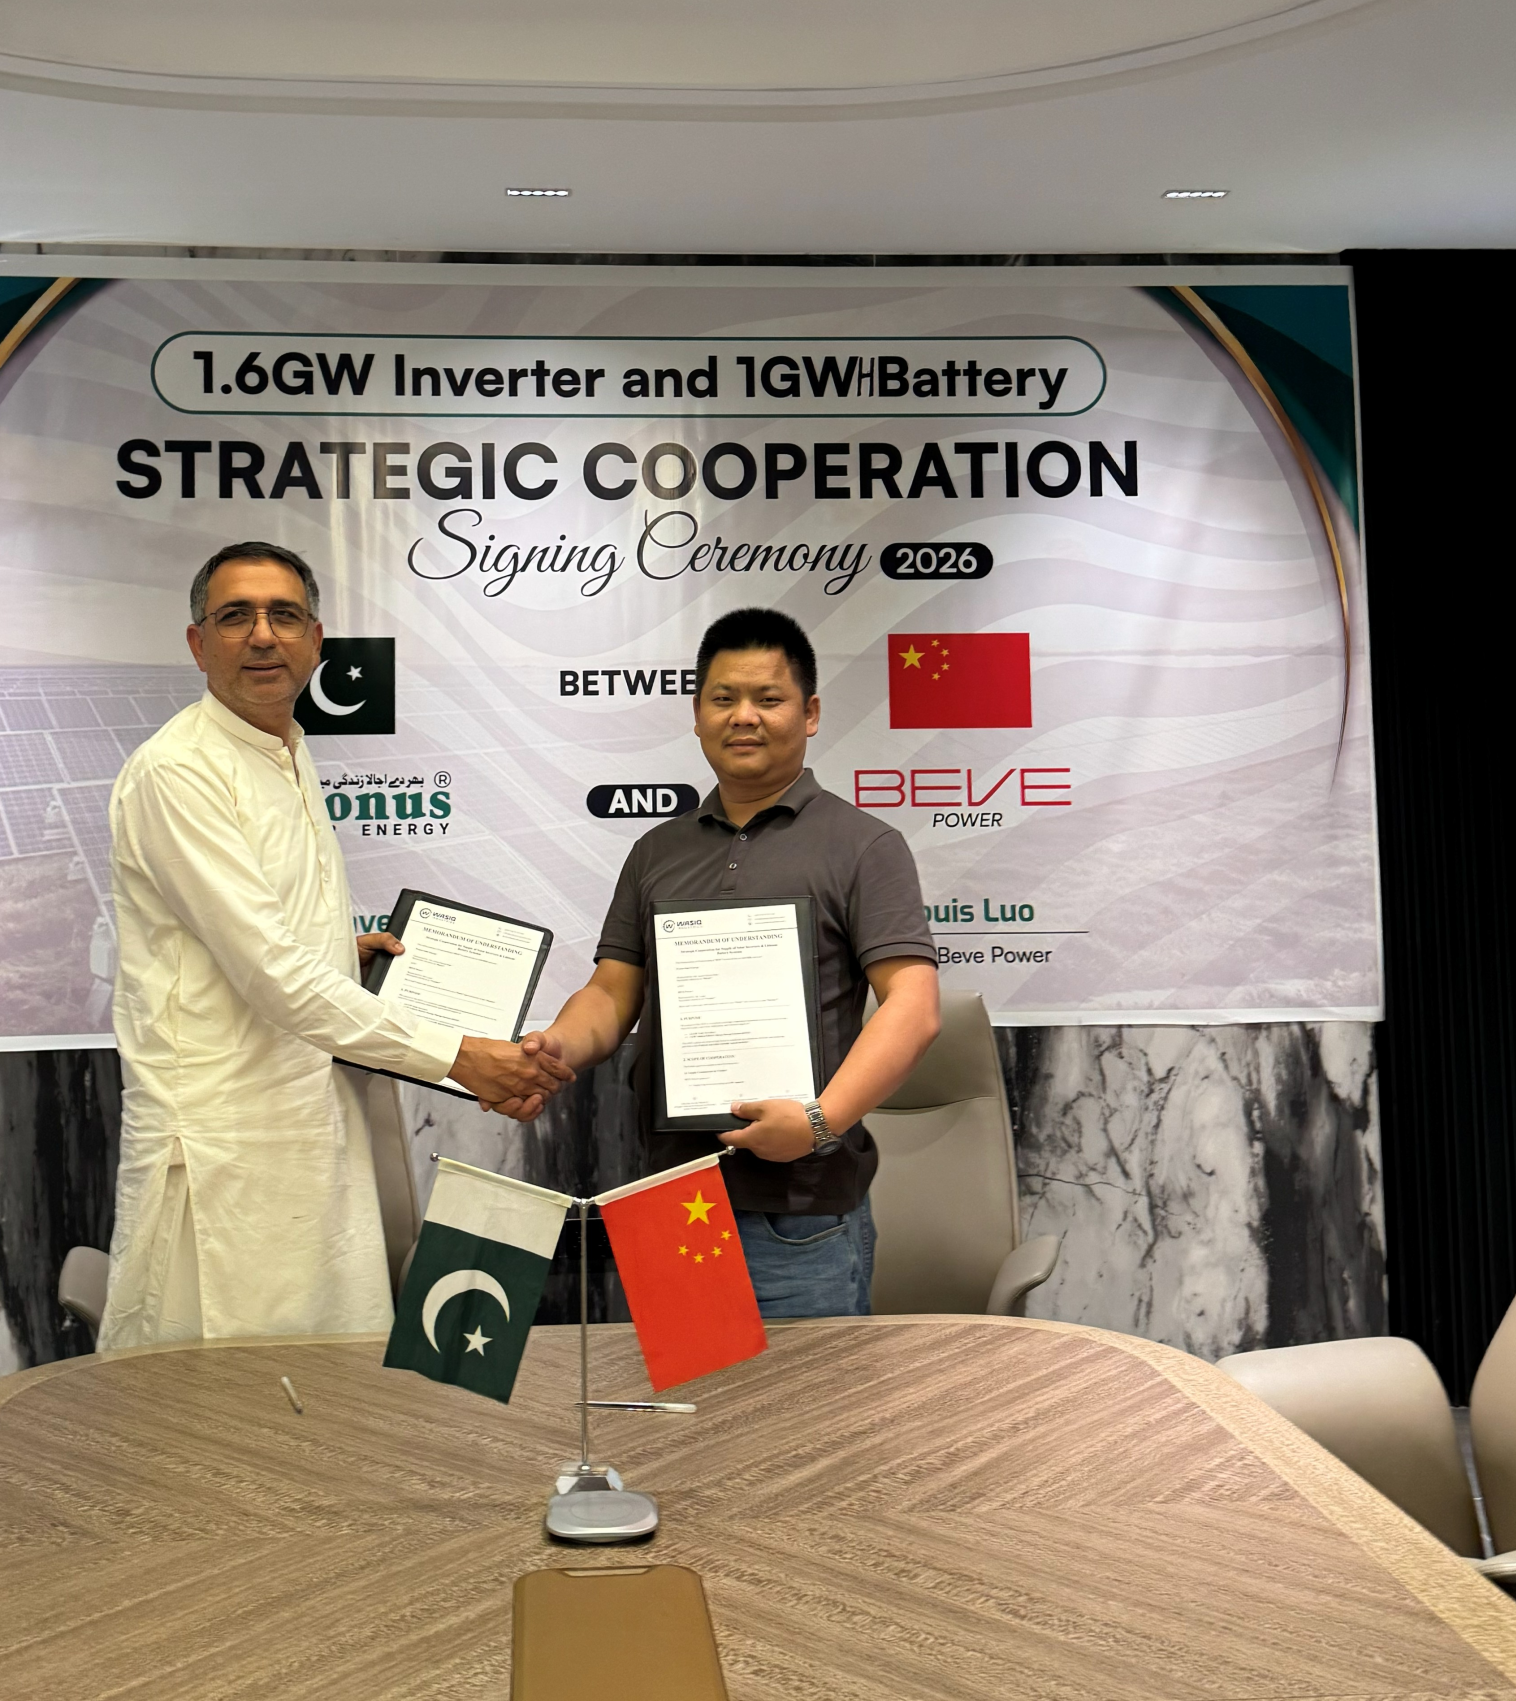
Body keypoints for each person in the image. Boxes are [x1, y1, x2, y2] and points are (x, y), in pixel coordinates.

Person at [100, 540, 567, 1350]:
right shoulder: (178, 771)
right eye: (235, 616)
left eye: (284, 615)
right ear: (198, 643)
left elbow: (249, 940)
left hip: (308, 1126)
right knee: (212, 1398)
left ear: (316, 641)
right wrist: (459, 1057)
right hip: (222, 1149)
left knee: (322, 1385)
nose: (262, 635)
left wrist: (338, 952)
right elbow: (270, 974)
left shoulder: (284, 746)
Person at [524, 608, 940, 1318]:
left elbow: (914, 1005)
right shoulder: (657, 852)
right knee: (683, 1394)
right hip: (668, 1198)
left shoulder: (864, 845)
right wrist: (558, 1046)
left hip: (798, 1214)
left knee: (804, 1396)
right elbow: (613, 991)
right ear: (697, 716)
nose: (744, 716)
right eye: (723, 698)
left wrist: (819, 1122)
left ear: (809, 714)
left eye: (768, 698)